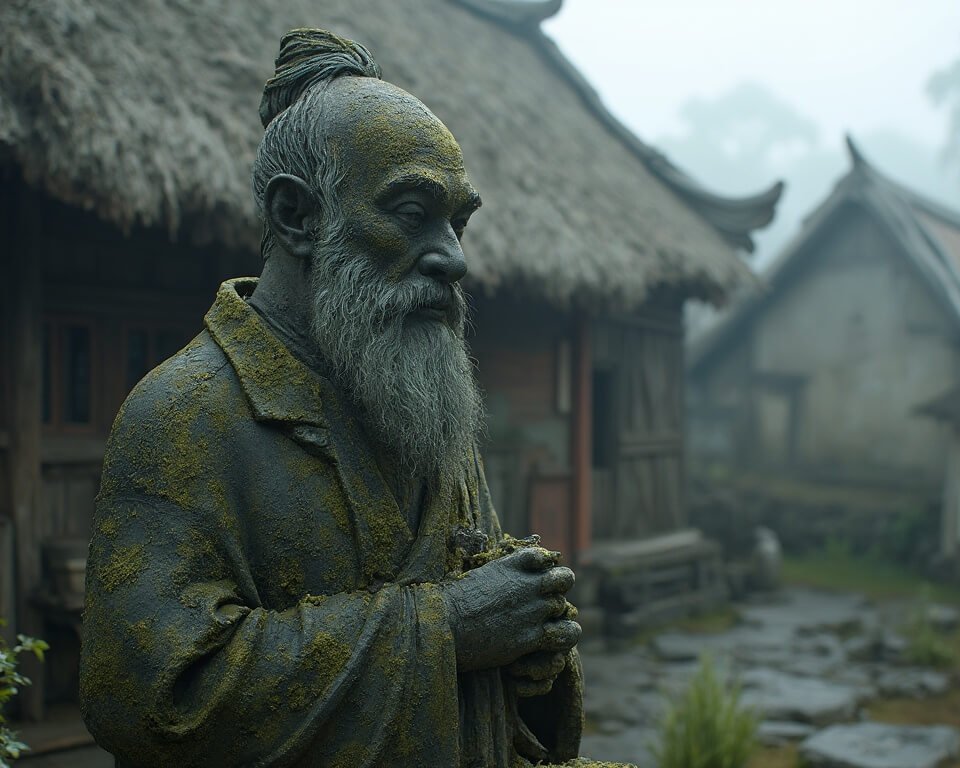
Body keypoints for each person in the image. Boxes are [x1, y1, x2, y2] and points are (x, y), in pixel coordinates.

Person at [79, 28, 619, 768]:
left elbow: (502, 690)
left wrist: (531, 651)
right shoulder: (181, 415)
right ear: (297, 216)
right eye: (411, 213)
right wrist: (448, 630)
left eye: (457, 222)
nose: (454, 258)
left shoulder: (427, 407)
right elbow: (147, 700)